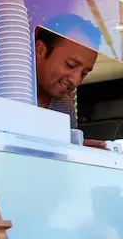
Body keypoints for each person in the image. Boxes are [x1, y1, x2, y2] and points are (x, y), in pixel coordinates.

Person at [34, 13, 106, 149]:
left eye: (84, 73)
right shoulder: (9, 90)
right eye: (70, 65)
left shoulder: (65, 106)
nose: (76, 80)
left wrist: (78, 151)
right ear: (40, 51)